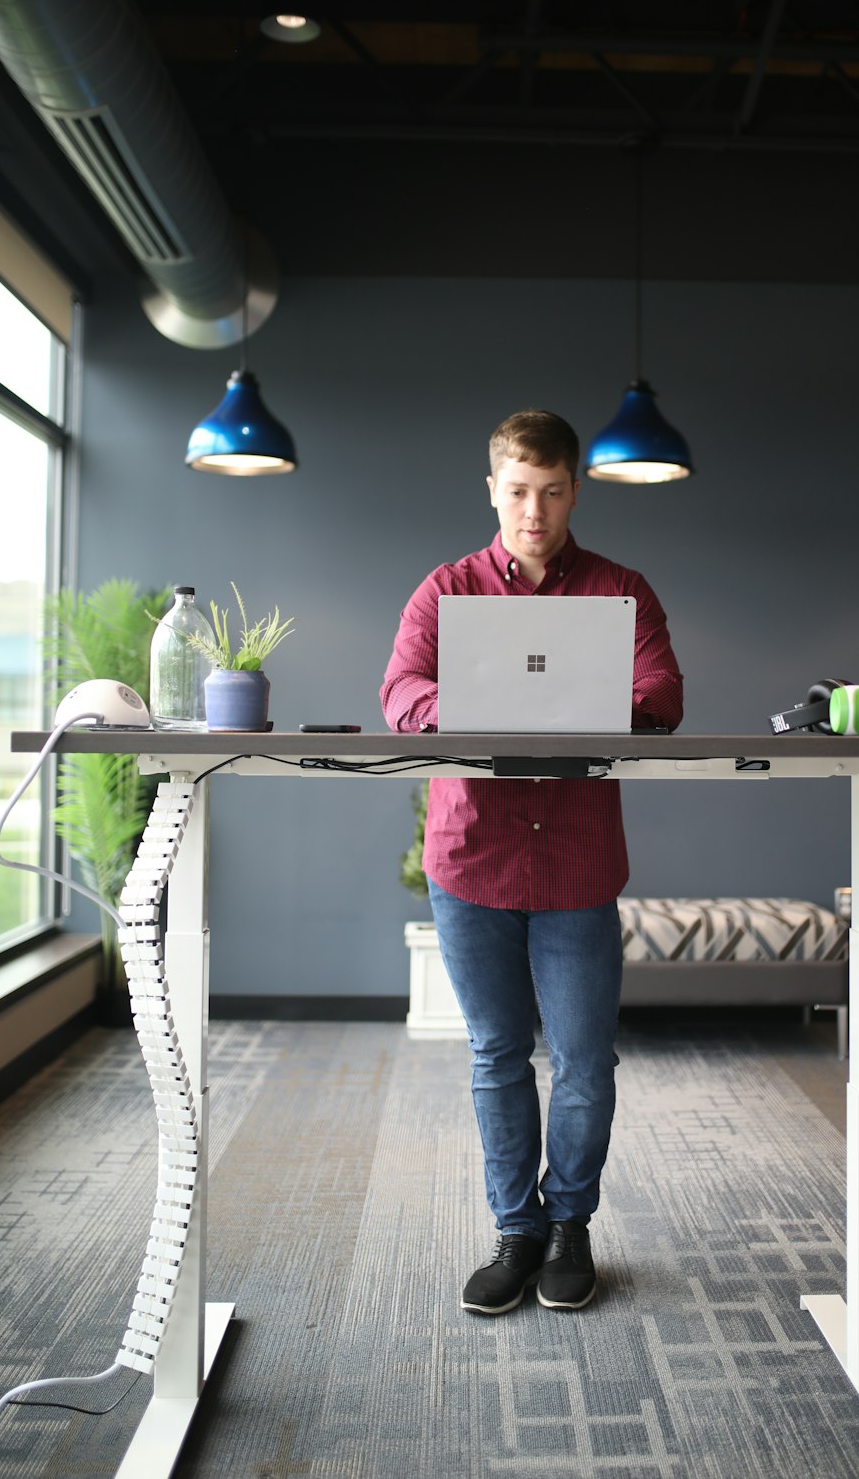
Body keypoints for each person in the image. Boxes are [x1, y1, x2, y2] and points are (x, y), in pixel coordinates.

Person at [380, 409, 683, 1315]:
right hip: (472, 856)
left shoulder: (620, 591)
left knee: (586, 1061)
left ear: (575, 491)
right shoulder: (446, 590)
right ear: (492, 490)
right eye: (518, 491)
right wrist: (483, 706)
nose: (534, 511)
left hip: (578, 864)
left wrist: (591, 704)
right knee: (497, 1053)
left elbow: (662, 692)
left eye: (551, 492)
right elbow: (401, 693)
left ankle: (569, 1226)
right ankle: (516, 1231)